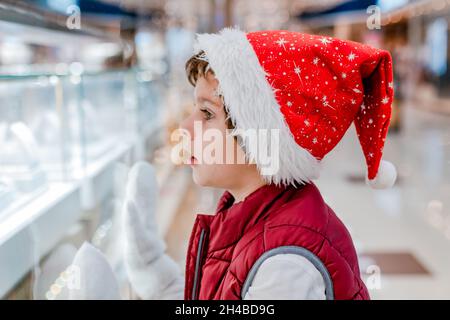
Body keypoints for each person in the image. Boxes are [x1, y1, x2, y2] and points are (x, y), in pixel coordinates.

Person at [123, 28, 397, 300]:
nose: (185, 125)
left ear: (260, 133)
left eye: (207, 113)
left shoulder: (286, 268)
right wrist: (157, 278)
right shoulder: (250, 216)